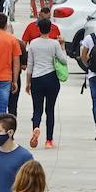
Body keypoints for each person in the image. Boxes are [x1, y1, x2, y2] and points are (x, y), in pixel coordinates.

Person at [24, 18, 68, 149]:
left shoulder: (33, 44)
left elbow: (30, 65)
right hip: (51, 78)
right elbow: (63, 60)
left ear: (39, 29)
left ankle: (36, 127)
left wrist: (28, 83)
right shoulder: (54, 44)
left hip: (36, 78)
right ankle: (49, 140)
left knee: (37, 109)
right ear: (50, 29)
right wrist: (62, 46)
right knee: (50, 109)